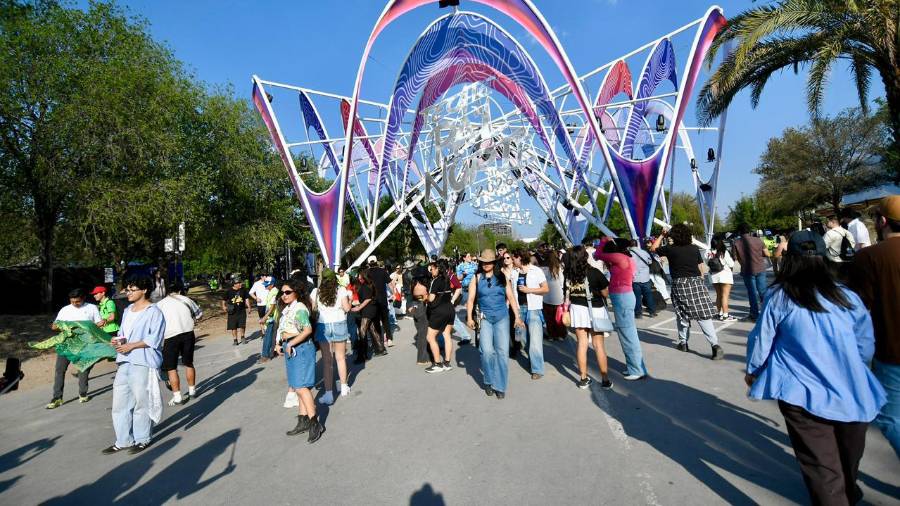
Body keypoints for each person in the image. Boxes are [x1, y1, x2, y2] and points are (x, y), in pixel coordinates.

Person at [745, 231, 885, 504]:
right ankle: (847, 490)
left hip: (800, 393)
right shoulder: (847, 297)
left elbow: (762, 339)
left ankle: (840, 493)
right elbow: (865, 345)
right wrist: (851, 367)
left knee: (821, 464)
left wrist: (754, 370)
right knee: (850, 450)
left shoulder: (779, 296)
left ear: (791, 259)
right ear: (824, 258)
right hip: (851, 389)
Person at [849, 195, 900, 458]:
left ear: (882, 221)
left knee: (891, 419)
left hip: (892, 350)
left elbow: (858, 310)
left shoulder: (870, 257)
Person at [102, 275, 166, 455]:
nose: (128, 293)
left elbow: (155, 338)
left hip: (142, 360)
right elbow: (122, 333)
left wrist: (133, 345)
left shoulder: (154, 311)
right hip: (124, 361)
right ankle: (122, 440)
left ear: (144, 290)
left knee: (141, 402)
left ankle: (142, 438)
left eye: (132, 289)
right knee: (120, 402)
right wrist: (117, 341)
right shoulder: (128, 310)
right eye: (127, 289)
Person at [650, 225, 724, 359]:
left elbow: (653, 248)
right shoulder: (694, 248)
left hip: (680, 284)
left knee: (682, 314)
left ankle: (683, 343)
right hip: (696, 282)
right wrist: (700, 280)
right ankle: (715, 345)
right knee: (703, 315)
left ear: (674, 236)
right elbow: (701, 266)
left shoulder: (670, 249)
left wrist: (662, 235)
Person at [466, 249, 524, 399]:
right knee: (486, 352)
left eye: (488, 262)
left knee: (502, 352)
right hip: (485, 319)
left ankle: (500, 385)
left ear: (493, 262)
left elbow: (511, 297)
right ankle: (489, 380)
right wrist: (469, 318)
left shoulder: (502, 276)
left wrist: (517, 317)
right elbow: (471, 299)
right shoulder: (477, 278)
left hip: (502, 318)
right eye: (483, 262)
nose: (485, 264)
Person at [594, 237, 648, 380]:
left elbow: (597, 255)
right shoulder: (625, 258)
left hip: (622, 298)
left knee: (627, 334)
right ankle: (636, 367)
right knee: (628, 334)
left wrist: (604, 241)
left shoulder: (619, 257)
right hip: (625, 296)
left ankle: (636, 370)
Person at [277, 279, 324, 443]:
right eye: (282, 293)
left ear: (296, 292)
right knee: (298, 387)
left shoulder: (300, 309)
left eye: (288, 292)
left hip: (301, 349)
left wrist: (289, 342)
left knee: (302, 387)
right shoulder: (289, 308)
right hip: (293, 349)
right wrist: (279, 343)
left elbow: (307, 330)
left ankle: (314, 423)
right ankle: (303, 420)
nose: (284, 295)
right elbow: (285, 328)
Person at [565, 246, 613, 390]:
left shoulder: (568, 274)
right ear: (585, 256)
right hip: (595, 310)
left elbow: (566, 294)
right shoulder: (594, 272)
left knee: (582, 344)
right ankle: (605, 380)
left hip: (577, 310)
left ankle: (583, 378)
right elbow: (605, 293)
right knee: (599, 346)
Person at [46, 289, 102, 409]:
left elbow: (99, 323)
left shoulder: (92, 308)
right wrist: (57, 326)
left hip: (85, 343)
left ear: (83, 298)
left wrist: (88, 326)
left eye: (77, 301)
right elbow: (55, 325)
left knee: (84, 368)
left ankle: (83, 393)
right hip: (66, 343)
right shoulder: (65, 309)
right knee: (59, 370)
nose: (75, 303)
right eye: (72, 301)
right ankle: (57, 397)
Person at [156, 281, 202, 406]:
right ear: (180, 291)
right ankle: (192, 391)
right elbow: (199, 315)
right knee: (188, 363)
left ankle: (177, 397)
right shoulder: (186, 300)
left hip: (169, 337)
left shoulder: (159, 304)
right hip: (188, 334)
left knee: (171, 368)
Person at [312, 270, 351, 405]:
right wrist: (350, 301)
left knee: (327, 361)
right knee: (340, 358)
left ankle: (329, 393)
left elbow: (313, 308)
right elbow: (346, 308)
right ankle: (344, 386)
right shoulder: (341, 290)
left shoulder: (316, 291)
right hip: (339, 322)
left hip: (323, 325)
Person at [511, 250, 549, 379]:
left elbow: (545, 289)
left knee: (535, 341)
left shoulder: (536, 271)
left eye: (513, 258)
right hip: (519, 309)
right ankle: (532, 360)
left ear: (520, 257)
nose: (512, 260)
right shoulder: (514, 273)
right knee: (522, 339)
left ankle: (537, 369)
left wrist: (529, 290)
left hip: (534, 308)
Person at [732, 223, 771, 321]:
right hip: (760, 268)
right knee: (763, 292)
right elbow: (767, 253)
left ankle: (754, 314)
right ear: (749, 231)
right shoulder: (758, 240)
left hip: (747, 270)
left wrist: (743, 262)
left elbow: (735, 258)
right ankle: (767, 312)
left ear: (739, 232)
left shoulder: (736, 243)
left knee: (752, 293)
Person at [424, 259, 455, 373]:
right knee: (447, 335)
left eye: (432, 268)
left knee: (430, 337)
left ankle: (437, 364)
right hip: (450, 309)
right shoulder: (447, 279)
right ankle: (447, 363)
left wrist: (424, 297)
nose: (431, 271)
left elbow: (431, 298)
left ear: (438, 269)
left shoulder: (435, 281)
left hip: (439, 311)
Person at [351, 268, 387, 362]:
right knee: (372, 329)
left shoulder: (366, 286)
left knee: (362, 332)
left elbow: (367, 299)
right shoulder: (367, 285)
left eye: (360, 276)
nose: (358, 277)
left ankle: (362, 356)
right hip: (369, 309)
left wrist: (359, 307)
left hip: (368, 310)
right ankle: (381, 349)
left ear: (364, 277)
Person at [365, 256, 394, 347]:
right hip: (383, 299)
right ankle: (389, 339)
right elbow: (390, 284)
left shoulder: (366, 273)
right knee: (385, 320)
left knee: (376, 321)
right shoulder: (383, 271)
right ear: (376, 262)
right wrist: (393, 294)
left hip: (372, 301)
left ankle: (380, 340)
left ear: (369, 263)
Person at [708, 236, 737, 321]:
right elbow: (731, 264)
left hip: (713, 276)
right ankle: (725, 315)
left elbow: (707, 263)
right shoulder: (724, 252)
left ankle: (719, 313)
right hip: (725, 275)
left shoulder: (708, 252)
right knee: (725, 296)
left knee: (719, 295)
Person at [540, 250, 567, 341]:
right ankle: (560, 334)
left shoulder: (542, 269)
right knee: (559, 316)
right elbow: (562, 282)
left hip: (546, 296)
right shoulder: (558, 268)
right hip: (558, 296)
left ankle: (551, 335)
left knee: (549, 318)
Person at [629, 241, 657, 319]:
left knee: (637, 297)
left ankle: (638, 314)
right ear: (637, 244)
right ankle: (652, 312)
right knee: (648, 295)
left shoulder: (628, 254)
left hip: (635, 278)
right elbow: (650, 261)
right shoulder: (644, 252)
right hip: (645, 277)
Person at [408, 279, 432, 365]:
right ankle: (422, 359)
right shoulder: (423, 287)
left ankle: (425, 357)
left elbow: (411, 298)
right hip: (422, 308)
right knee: (423, 335)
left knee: (421, 333)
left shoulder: (413, 285)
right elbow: (426, 298)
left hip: (415, 307)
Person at [222, 277, 252, 346]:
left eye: (240, 282)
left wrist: (249, 307)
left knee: (242, 325)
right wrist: (223, 306)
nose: (240, 284)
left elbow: (246, 299)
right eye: (238, 283)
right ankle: (235, 340)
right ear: (234, 284)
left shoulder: (243, 290)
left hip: (242, 311)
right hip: (232, 312)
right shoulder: (229, 291)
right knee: (233, 326)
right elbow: (224, 299)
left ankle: (242, 337)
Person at [257, 278, 279, 363]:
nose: (265, 285)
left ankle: (265, 356)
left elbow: (272, 307)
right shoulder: (271, 291)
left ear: (272, 284)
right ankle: (271, 353)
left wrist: (264, 317)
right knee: (272, 336)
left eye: (267, 284)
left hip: (272, 318)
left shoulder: (274, 292)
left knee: (268, 337)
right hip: (271, 318)